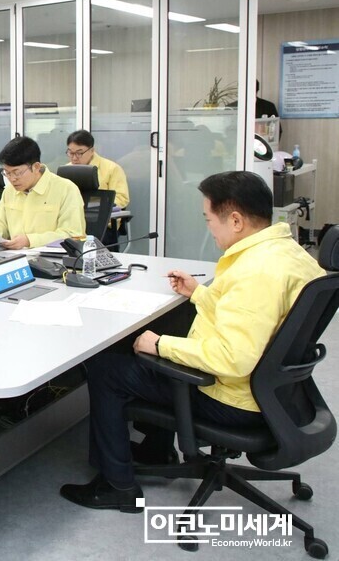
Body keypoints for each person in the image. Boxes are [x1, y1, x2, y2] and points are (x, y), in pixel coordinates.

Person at [60, 171, 324, 512]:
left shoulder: (255, 272)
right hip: (277, 392)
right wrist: (199, 293)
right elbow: (255, 317)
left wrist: (160, 345)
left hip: (233, 398)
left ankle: (118, 485)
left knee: (106, 367)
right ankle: (157, 451)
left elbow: (234, 358)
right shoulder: (287, 253)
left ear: (236, 220)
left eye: (209, 219)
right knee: (162, 345)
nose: (208, 228)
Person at [0, 136, 84, 249]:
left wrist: (30, 241)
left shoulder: (66, 189)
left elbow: (72, 235)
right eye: (7, 173)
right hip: (14, 256)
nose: (12, 179)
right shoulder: (9, 190)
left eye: (17, 172)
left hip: (51, 258)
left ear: (36, 167)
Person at [66, 129, 130, 246]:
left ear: (92, 151)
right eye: (71, 153)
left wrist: (93, 204)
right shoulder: (66, 170)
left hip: (101, 224)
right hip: (71, 223)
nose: (74, 158)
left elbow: (122, 199)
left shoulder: (111, 169)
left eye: (79, 153)